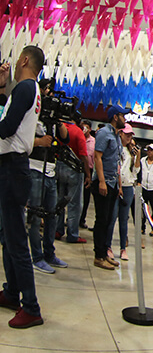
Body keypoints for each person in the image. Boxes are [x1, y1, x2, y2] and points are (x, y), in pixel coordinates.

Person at [0, 45, 46, 328]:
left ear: (25, 60)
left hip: (12, 169)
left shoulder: (26, 88)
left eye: (18, 59)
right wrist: (3, 87)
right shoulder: (30, 90)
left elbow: (6, 128)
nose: (15, 63)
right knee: (8, 235)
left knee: (16, 240)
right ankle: (12, 292)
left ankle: (31, 307)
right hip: (13, 167)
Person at [27, 116, 68, 275]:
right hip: (35, 169)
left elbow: (65, 138)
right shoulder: (33, 115)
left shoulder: (53, 120)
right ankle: (37, 257)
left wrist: (59, 122)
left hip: (51, 171)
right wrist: (39, 142)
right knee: (35, 217)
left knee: (52, 216)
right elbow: (21, 140)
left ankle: (49, 254)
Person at [93, 104, 127, 271]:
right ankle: (98, 256)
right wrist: (101, 181)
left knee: (108, 220)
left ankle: (104, 252)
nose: (125, 119)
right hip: (103, 182)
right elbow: (97, 157)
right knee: (101, 219)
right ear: (115, 117)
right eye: (123, 116)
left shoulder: (117, 135)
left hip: (113, 183)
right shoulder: (104, 133)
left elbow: (116, 162)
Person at [55, 113, 90, 244]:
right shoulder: (78, 132)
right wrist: (88, 174)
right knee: (74, 204)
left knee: (59, 201)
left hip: (59, 166)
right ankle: (72, 234)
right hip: (74, 170)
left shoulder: (60, 129)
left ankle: (57, 230)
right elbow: (83, 155)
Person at [107, 125, 139, 261]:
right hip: (116, 186)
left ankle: (123, 248)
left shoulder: (131, 152)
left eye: (130, 135)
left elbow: (135, 171)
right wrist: (118, 186)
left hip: (128, 187)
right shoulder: (116, 148)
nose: (129, 137)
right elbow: (116, 168)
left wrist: (137, 156)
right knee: (112, 217)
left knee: (124, 219)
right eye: (127, 134)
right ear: (120, 133)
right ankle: (108, 246)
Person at [78, 120, 95, 230]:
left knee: (86, 197)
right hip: (77, 169)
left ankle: (82, 219)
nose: (84, 130)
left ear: (90, 129)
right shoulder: (78, 137)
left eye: (86, 127)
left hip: (89, 170)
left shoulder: (94, 142)